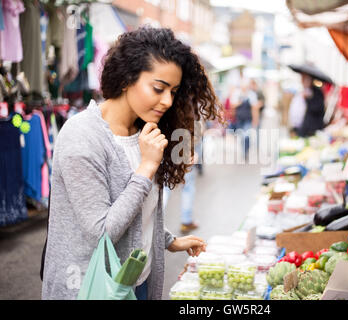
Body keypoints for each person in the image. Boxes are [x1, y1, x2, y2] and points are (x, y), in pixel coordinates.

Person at [40, 26, 222, 300]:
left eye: (173, 91)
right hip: (91, 289)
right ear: (126, 78)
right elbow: (102, 232)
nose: (167, 101)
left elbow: (137, 212)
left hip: (138, 284)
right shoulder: (82, 136)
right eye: (159, 88)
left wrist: (168, 241)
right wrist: (146, 168)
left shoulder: (143, 132)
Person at [294, 73, 325, 137]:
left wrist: (308, 99)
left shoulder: (317, 92)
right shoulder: (304, 91)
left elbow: (317, 108)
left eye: (306, 80)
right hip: (304, 126)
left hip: (313, 128)